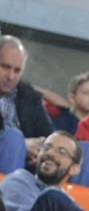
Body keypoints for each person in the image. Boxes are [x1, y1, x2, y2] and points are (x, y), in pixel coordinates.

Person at [0, 34, 53, 173]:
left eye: (17, 70)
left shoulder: (30, 96)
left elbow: (49, 136)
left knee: (84, 151)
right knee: (13, 137)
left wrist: (42, 151)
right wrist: (21, 144)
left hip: (28, 171)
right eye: (5, 67)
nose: (11, 76)